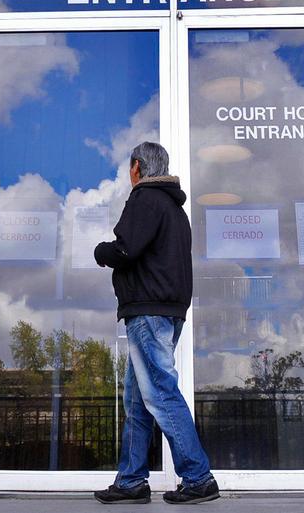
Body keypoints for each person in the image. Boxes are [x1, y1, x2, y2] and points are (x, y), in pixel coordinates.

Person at [92, 142, 220, 505]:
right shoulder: (174, 209)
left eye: (129, 168)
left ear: (136, 167)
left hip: (148, 312)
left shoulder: (145, 199)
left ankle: (198, 476)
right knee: (137, 401)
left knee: (160, 392)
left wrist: (100, 252)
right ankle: (131, 479)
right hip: (167, 309)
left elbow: (124, 249)